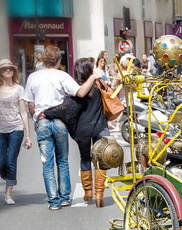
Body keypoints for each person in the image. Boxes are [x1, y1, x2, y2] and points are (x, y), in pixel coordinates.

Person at [23, 45, 99, 210]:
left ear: (42, 60)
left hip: (42, 122)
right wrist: (92, 78)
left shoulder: (33, 77)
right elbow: (80, 93)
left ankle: (53, 201)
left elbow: (30, 103)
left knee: (47, 163)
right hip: (59, 122)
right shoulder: (62, 76)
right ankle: (65, 198)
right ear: (58, 61)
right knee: (62, 161)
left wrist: (36, 120)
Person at [43, 58, 109, 207]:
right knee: (101, 160)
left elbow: (66, 109)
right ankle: (100, 194)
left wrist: (46, 113)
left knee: (85, 158)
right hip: (100, 127)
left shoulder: (78, 90)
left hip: (83, 130)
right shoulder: (98, 85)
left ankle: (88, 193)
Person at [0, 59, 33, 205]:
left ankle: (8, 194)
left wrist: (28, 135)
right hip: (0, 129)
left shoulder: (19, 89)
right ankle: (7, 176)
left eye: (10, 69)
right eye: (4, 69)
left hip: (16, 128)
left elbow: (23, 112)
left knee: (11, 161)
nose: (8, 71)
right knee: (2, 162)